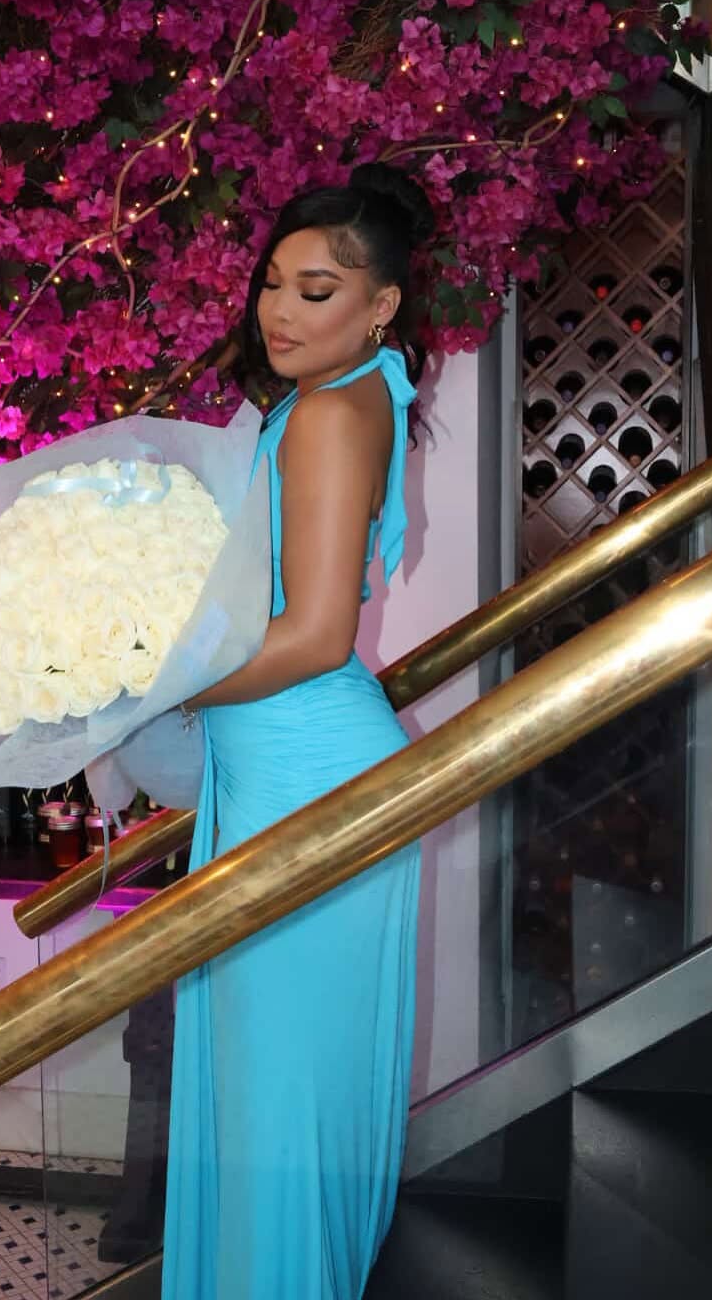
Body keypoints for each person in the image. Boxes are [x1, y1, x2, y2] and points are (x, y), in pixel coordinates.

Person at [162, 161, 435, 1300]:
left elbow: (319, 636)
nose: (280, 310)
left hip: (305, 775)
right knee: (279, 1098)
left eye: (316, 290)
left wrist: (155, 688)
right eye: (273, 282)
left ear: (382, 305)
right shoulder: (349, 394)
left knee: (278, 1103)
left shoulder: (328, 412)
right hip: (286, 769)